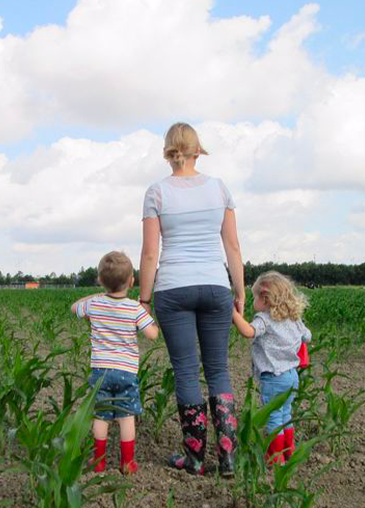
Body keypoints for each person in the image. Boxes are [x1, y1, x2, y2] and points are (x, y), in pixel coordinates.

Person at [139, 122, 244, 477]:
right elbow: (232, 246)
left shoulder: (157, 193)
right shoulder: (219, 188)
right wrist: (240, 291)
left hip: (173, 288)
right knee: (218, 370)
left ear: (169, 152)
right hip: (216, 286)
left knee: (186, 372)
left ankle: (196, 458)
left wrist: (144, 298)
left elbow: (150, 254)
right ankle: (228, 457)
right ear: (198, 150)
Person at [71, 251, 159, 474]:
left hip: (100, 370)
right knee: (126, 416)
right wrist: (153, 324)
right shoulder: (134, 308)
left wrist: (93, 297)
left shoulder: (95, 304)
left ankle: (98, 461)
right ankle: (127, 463)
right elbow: (152, 335)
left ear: (100, 281)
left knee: (101, 415)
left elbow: (74, 308)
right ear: (132, 281)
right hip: (126, 372)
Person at [231, 271, 312, 465]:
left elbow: (248, 332)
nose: (253, 302)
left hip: (273, 377)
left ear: (266, 299)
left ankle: (275, 457)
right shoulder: (294, 319)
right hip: (292, 376)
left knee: (273, 416)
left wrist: (233, 313)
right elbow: (307, 337)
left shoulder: (264, 320)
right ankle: (288, 450)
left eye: (254, 297)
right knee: (286, 413)